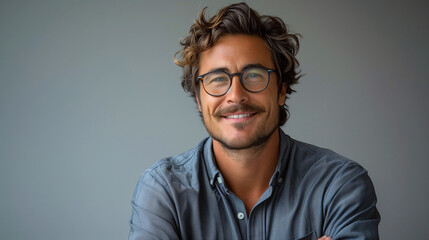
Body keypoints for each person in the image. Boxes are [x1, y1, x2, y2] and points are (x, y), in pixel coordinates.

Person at [129, 2, 380, 240]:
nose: (236, 95)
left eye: (254, 75)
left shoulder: (339, 185)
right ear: (198, 98)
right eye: (217, 79)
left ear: (281, 91)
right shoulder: (163, 191)